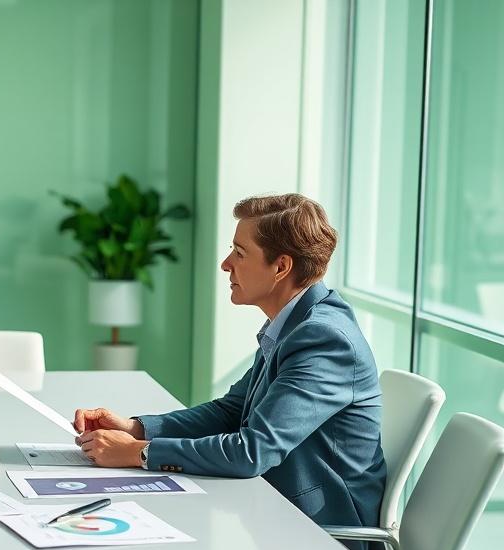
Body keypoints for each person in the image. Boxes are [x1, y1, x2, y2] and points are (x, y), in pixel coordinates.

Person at [74, 193, 386, 531]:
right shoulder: (294, 323)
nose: (226, 264)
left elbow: (252, 451)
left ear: (280, 267)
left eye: (239, 253)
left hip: (323, 536)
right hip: (275, 511)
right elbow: (231, 412)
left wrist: (138, 452)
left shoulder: (324, 340)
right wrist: (133, 428)